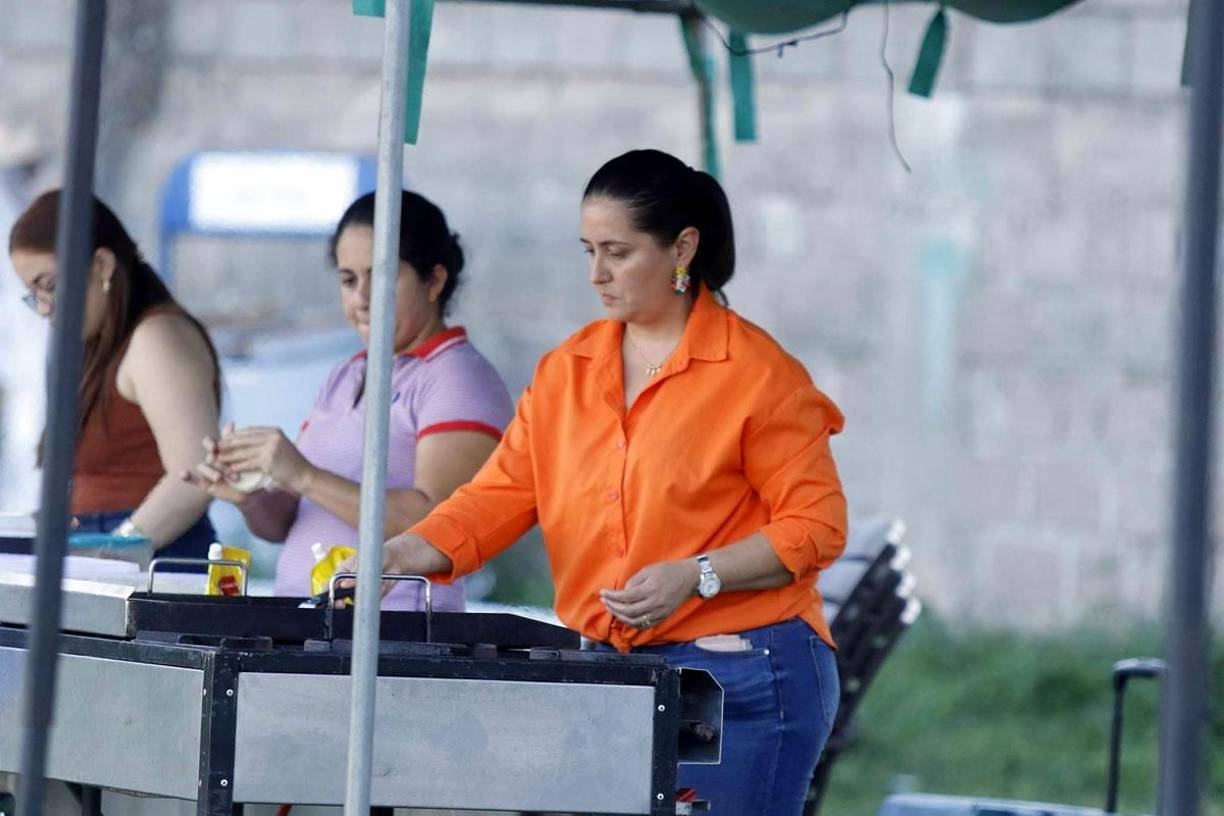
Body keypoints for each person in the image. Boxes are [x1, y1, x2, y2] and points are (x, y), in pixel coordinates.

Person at [350, 149, 847, 814]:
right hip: (610, 672)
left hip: (746, 678)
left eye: (617, 251)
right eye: (588, 250)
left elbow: (815, 526)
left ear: (683, 248)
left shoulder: (759, 375)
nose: (597, 274)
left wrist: (698, 573)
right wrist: (409, 550)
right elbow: (502, 494)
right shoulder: (567, 370)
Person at [187, 190, 513, 611]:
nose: (362, 298)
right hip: (309, 623)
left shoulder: (458, 377)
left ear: (434, 280)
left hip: (397, 633)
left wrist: (302, 474)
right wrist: (250, 493)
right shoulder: (347, 373)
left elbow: (440, 526)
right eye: (348, 280)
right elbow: (289, 522)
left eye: (381, 277)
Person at [9, 191, 221, 558]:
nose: (44, 309)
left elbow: (196, 476)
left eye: (49, 286)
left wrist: (111, 553)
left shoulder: (156, 337)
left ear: (103, 265)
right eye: (33, 295)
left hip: (150, 564)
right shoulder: (98, 343)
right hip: (101, 549)